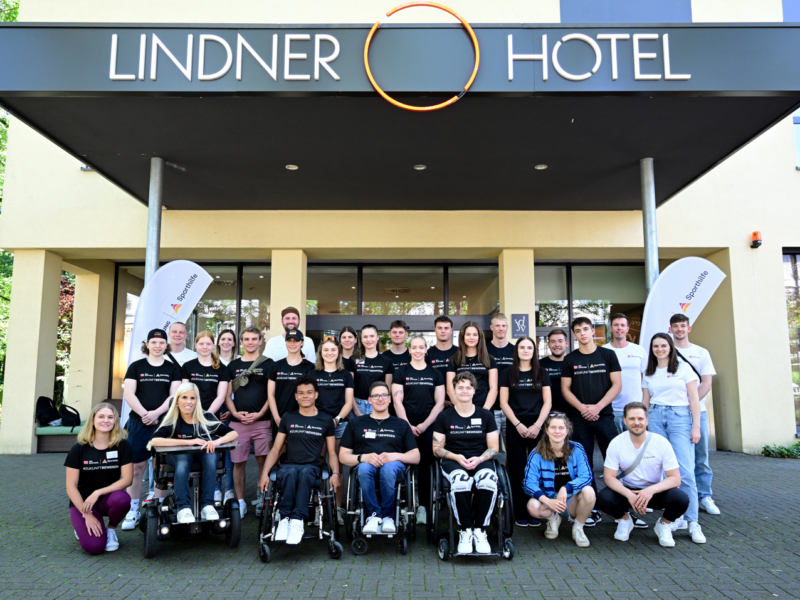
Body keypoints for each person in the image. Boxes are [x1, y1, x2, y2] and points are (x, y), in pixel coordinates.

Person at [258, 375, 341, 545]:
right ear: (295, 396)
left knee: (303, 474)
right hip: (289, 465)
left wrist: (336, 473)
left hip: (312, 467)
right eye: (301, 393)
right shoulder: (288, 417)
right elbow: (275, 449)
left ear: (316, 395)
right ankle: (284, 519)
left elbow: (332, 452)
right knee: (289, 473)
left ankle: (296, 521)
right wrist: (264, 474)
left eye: (309, 392)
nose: (305, 396)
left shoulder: (326, 420)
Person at [596, 402, 690, 548]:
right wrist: (629, 494)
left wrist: (649, 491)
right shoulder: (617, 442)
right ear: (625, 421)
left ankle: (664, 524)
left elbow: (675, 479)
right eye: (632, 419)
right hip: (628, 490)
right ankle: (625, 520)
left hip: (654, 491)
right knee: (603, 498)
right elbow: (609, 477)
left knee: (681, 499)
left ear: (646, 420)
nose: (636, 423)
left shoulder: (661, 442)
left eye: (640, 419)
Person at [642, 333, 706, 544]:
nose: (659, 349)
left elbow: (694, 400)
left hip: (680, 419)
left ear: (670, 347)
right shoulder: (649, 372)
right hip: (656, 418)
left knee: (685, 472)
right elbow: (645, 402)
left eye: (663, 345)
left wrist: (696, 426)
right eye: (655, 346)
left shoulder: (683, 368)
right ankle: (672, 518)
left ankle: (693, 521)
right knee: (662, 470)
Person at [561, 317, 622, 526]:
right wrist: (583, 408)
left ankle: (620, 508)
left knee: (614, 462)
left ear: (592, 331)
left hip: (604, 416)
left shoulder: (608, 355)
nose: (583, 333)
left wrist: (597, 407)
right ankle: (592, 507)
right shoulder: (570, 360)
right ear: (574, 335)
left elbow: (616, 385)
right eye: (578, 331)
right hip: (579, 419)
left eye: (586, 329)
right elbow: (565, 389)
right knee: (583, 463)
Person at [120, 328, 182, 530]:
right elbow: (129, 394)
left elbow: (173, 397)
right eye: (153, 342)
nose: (157, 346)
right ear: (147, 344)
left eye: (161, 342)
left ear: (166, 345)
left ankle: (159, 507)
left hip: (163, 422)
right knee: (137, 467)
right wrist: (145, 414)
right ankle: (133, 508)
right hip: (139, 423)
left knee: (160, 467)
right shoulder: (136, 367)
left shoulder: (173, 368)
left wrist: (156, 414)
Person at [150, 383, 239, 523]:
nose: (189, 402)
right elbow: (155, 441)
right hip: (179, 458)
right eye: (184, 397)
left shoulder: (206, 417)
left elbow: (233, 433)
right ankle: (183, 507)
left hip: (203, 456)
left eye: (193, 398)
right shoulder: (173, 419)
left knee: (211, 456)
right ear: (177, 400)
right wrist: (189, 442)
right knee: (184, 458)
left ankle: (207, 505)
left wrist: (216, 442)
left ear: (197, 400)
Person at [340, 381, 420, 535]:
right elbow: (343, 456)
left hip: (393, 467)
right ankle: (374, 516)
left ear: (390, 399)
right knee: (363, 468)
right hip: (365, 466)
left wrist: (394, 456)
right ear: (369, 400)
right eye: (376, 396)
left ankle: (389, 516)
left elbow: (416, 456)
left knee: (388, 468)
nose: (380, 399)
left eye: (384, 395)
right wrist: (363, 457)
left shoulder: (401, 424)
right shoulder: (356, 423)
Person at [432, 372, 500, 555]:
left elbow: (494, 447)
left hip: (480, 459)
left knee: (488, 480)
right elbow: (436, 448)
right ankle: (465, 530)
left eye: (468, 387)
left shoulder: (486, 415)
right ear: (453, 391)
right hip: (453, 461)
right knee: (461, 481)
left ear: (474, 391)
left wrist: (480, 459)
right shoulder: (444, 417)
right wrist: (455, 457)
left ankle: (480, 531)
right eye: (460, 387)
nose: (464, 391)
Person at [669, 313, 720, 516]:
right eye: (676, 326)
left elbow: (706, 383)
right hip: (674, 414)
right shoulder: (665, 351)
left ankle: (705, 496)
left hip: (698, 412)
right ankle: (679, 497)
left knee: (701, 457)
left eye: (683, 326)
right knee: (677, 458)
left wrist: (692, 405)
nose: (679, 329)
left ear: (689, 328)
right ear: (670, 329)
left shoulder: (701, 352)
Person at [392, 334, 446, 525]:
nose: (417, 351)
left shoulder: (435, 373)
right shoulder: (401, 371)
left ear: (425, 350)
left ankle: (422, 506)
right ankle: (403, 504)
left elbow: (440, 403)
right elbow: (397, 400)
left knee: (425, 466)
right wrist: (407, 424)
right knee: (403, 464)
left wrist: (424, 425)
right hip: (404, 425)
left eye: (420, 347)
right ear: (409, 350)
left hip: (428, 426)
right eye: (413, 347)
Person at [65, 403, 133, 554]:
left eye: (110, 417)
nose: (106, 420)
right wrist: (86, 514)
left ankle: (111, 530)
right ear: (93, 420)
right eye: (101, 416)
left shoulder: (123, 445)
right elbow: (71, 486)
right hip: (83, 503)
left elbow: (127, 480)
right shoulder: (79, 448)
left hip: (106, 499)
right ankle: (82, 526)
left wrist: (97, 492)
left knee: (123, 498)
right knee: (94, 547)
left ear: (115, 421)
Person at [499, 335, 551, 527]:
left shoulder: (542, 373)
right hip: (516, 427)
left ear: (534, 351)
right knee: (518, 469)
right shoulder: (507, 373)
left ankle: (537, 509)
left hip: (538, 426)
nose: (526, 351)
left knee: (538, 468)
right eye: (522, 347)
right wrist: (518, 424)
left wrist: (538, 425)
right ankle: (520, 510)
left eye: (529, 347)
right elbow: (503, 402)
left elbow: (547, 402)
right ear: (517, 351)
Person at [521, 413, 594, 547]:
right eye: (553, 427)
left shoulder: (577, 449)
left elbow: (586, 476)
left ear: (567, 431)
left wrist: (566, 488)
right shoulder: (536, 453)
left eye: (561, 428)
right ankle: (553, 519)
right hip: (549, 499)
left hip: (571, 500)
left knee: (589, 491)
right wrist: (547, 500)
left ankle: (578, 527)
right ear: (547, 430)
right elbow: (528, 483)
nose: (557, 431)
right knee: (532, 506)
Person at [225, 326, 274, 518]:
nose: (251, 342)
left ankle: (262, 498)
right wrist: (235, 414)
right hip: (238, 423)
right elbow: (227, 394)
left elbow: (272, 394)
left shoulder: (269, 364)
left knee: (263, 460)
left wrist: (260, 413)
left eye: (254, 339)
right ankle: (241, 501)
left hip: (262, 421)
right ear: (242, 342)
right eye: (247, 339)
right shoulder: (232, 366)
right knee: (239, 462)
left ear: (261, 341)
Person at [312, 336, 354, 521]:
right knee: (317, 466)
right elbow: (308, 400)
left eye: (333, 350)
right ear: (321, 353)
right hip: (317, 425)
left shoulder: (345, 375)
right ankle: (317, 508)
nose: (330, 353)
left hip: (339, 425)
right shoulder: (313, 374)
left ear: (339, 353)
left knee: (338, 467)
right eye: (326, 350)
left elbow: (348, 402)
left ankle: (338, 509)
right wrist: (320, 419)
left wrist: (337, 418)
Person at [603, 314, 647, 434]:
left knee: (636, 444)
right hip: (612, 408)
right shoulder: (603, 351)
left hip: (635, 408)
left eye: (622, 325)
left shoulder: (639, 350)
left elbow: (643, 378)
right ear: (611, 328)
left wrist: (644, 405)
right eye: (616, 325)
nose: (619, 328)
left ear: (627, 328)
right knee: (614, 444)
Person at [268, 330, 316, 431]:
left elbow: (313, 395)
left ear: (302, 343)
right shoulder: (276, 366)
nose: (292, 344)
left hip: (303, 419)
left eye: (296, 340)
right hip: (280, 417)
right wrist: (277, 418)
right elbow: (271, 394)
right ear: (285, 343)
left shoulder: (310, 367)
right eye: (289, 340)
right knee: (279, 447)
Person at [446, 321, 498, 412]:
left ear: (479, 337)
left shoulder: (489, 359)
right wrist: (462, 410)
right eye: (468, 334)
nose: (471, 338)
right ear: (462, 336)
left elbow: (494, 388)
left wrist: (485, 410)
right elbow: (450, 389)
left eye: (475, 334)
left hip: (484, 408)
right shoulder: (454, 360)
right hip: (461, 410)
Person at [353, 324, 394, 417]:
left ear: (377, 337)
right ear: (361, 339)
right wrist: (356, 411)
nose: (369, 339)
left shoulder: (386, 361)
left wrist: (383, 407)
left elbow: (387, 390)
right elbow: (349, 388)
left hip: (378, 404)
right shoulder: (354, 360)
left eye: (372, 336)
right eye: (365, 336)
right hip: (358, 405)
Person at [487, 313, 514, 439]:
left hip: (511, 408)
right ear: (491, 327)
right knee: (491, 448)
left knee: (513, 450)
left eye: (503, 325)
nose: (500, 328)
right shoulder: (484, 351)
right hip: (491, 408)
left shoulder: (516, 351)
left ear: (507, 327)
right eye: (497, 325)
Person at [540, 329, 571, 414]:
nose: (557, 345)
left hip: (572, 413)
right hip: (547, 414)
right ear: (549, 344)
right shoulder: (539, 364)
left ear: (566, 343)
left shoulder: (573, 362)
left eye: (560, 341)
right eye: (553, 342)